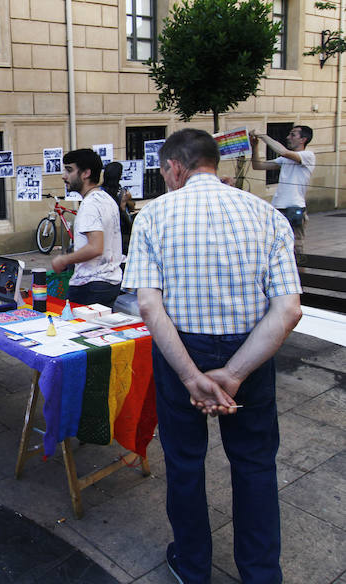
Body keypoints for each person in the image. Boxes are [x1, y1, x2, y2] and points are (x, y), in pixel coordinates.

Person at [122, 128, 302, 584]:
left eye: (164, 172)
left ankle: (193, 565)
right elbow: (288, 310)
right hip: (251, 348)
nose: (165, 180)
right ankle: (261, 574)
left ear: (175, 167)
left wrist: (189, 376)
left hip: (181, 345)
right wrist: (235, 374)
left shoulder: (154, 216)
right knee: (255, 463)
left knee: (184, 462)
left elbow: (149, 305)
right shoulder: (266, 215)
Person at [51, 149, 123, 307]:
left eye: (69, 170)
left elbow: (95, 247)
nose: (64, 176)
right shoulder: (106, 199)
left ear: (86, 173)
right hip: (108, 282)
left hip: (91, 284)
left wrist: (63, 259)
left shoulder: (90, 204)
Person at [250, 126, 315, 257]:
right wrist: (255, 147)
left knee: (296, 250)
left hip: (294, 207)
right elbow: (258, 166)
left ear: (303, 139)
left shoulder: (308, 156)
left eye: (293, 135)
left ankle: (300, 276)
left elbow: (283, 151)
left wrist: (262, 135)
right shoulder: (285, 160)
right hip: (277, 208)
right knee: (275, 248)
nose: (288, 137)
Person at [101, 161, 135, 256]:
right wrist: (123, 204)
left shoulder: (121, 190)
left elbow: (132, 206)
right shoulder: (103, 193)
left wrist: (128, 201)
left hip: (116, 233)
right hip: (119, 232)